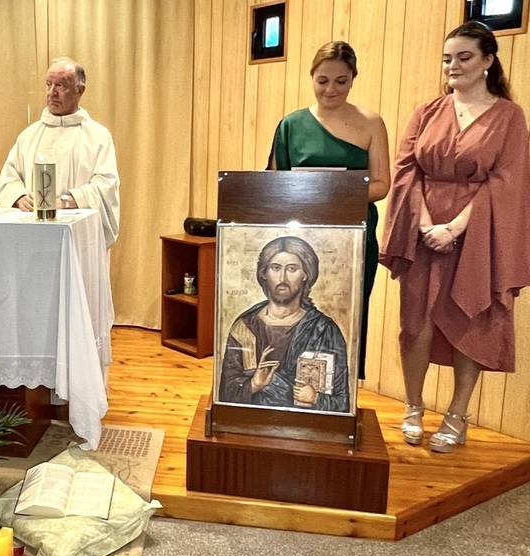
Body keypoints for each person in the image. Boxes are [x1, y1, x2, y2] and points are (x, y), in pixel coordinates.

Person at [380, 21, 530, 452]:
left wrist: (455, 227)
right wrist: (427, 223)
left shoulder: (508, 116)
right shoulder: (427, 111)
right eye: (448, 58)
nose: (453, 66)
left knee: (472, 319)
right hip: (422, 232)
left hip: (478, 234)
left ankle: (457, 414)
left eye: (464, 57)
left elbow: (507, 182)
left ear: (487, 61)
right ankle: (413, 407)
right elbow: (408, 170)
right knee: (416, 323)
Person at [269, 41, 390, 381]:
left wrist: (333, 191)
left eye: (341, 81)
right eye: (323, 80)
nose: (331, 89)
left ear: (353, 78)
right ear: (312, 77)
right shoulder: (290, 124)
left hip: (354, 236)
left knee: (347, 314)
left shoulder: (371, 123)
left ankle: (342, 390)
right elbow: (273, 185)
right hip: (301, 237)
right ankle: (292, 387)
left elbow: (382, 184)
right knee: (297, 310)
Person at [0, 57, 121, 247]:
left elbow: (106, 186)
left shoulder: (98, 137)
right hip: (32, 238)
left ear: (80, 90)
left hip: (78, 240)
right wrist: (18, 197)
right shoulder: (29, 136)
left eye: (60, 86)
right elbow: (9, 178)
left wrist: (69, 200)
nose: (52, 93)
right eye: (48, 84)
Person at [218, 236, 350, 413]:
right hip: (252, 422)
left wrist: (316, 398)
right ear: (264, 273)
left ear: (306, 274)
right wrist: (254, 384)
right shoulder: (245, 327)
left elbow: (342, 402)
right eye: (275, 268)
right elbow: (226, 395)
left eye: (292, 269)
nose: (282, 278)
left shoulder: (324, 330)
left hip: (306, 428)